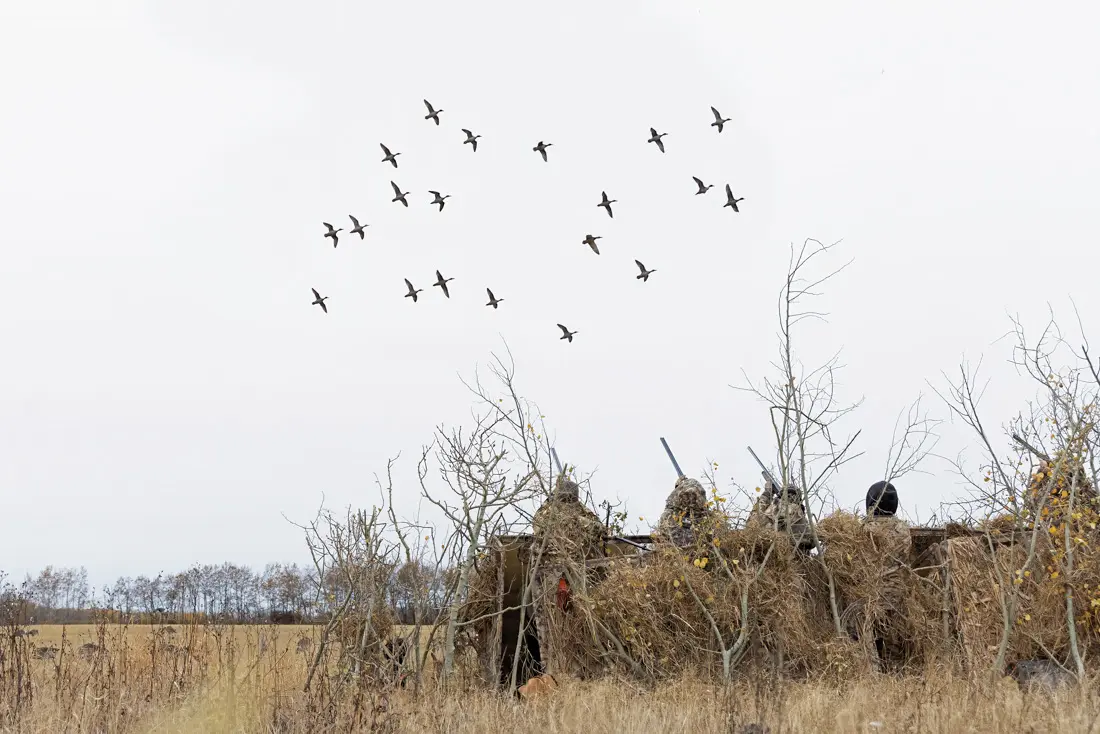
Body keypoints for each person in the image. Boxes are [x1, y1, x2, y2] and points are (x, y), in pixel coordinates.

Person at [530, 473, 605, 678]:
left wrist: (550, 501)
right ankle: (579, 673)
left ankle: (552, 672)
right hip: (576, 580)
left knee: (548, 629)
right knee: (579, 626)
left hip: (549, 582)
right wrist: (580, 509)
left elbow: (537, 523)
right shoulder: (583, 519)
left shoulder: (546, 515)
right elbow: (599, 529)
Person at [748, 477, 816, 553]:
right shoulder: (799, 514)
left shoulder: (770, 509)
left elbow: (751, 522)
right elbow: (811, 541)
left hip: (760, 552)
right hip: (786, 558)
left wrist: (767, 493)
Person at [655, 475, 715, 550]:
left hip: (678, 554)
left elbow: (665, 538)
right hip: (702, 553)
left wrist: (680, 485)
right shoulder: (709, 518)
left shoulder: (668, 515)